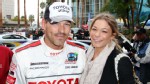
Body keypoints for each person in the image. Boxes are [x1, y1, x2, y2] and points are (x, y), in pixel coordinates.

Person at [6, 2, 86, 84]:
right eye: (55, 23)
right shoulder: (21, 55)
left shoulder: (81, 53)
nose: (61, 30)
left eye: (66, 24)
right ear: (44, 24)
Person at [79, 13, 136, 84]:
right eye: (94, 29)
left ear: (112, 35)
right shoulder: (83, 55)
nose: (97, 34)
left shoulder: (121, 61)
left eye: (104, 31)